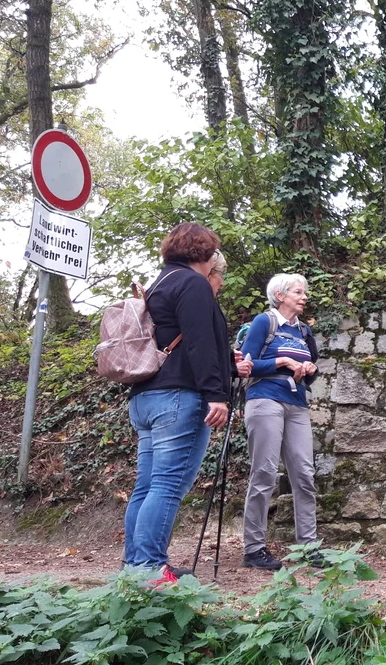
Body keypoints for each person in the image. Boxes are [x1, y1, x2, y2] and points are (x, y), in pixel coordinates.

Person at [125, 224, 246, 586]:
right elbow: (198, 343)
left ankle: (134, 567)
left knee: (147, 486)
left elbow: (181, 338)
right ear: (205, 254)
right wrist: (217, 394)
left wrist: (226, 362)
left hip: (146, 396)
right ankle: (149, 569)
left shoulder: (160, 283)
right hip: (179, 398)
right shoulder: (193, 284)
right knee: (167, 486)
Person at [238, 273, 321, 571]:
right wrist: (283, 362)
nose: (304, 297)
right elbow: (245, 366)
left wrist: (308, 367)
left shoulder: (304, 331)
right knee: (264, 474)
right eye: (298, 292)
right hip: (265, 400)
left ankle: (309, 547)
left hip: (297, 404)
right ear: (281, 295)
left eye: (304, 292)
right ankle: (254, 549)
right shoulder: (265, 322)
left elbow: (311, 370)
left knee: (304, 474)